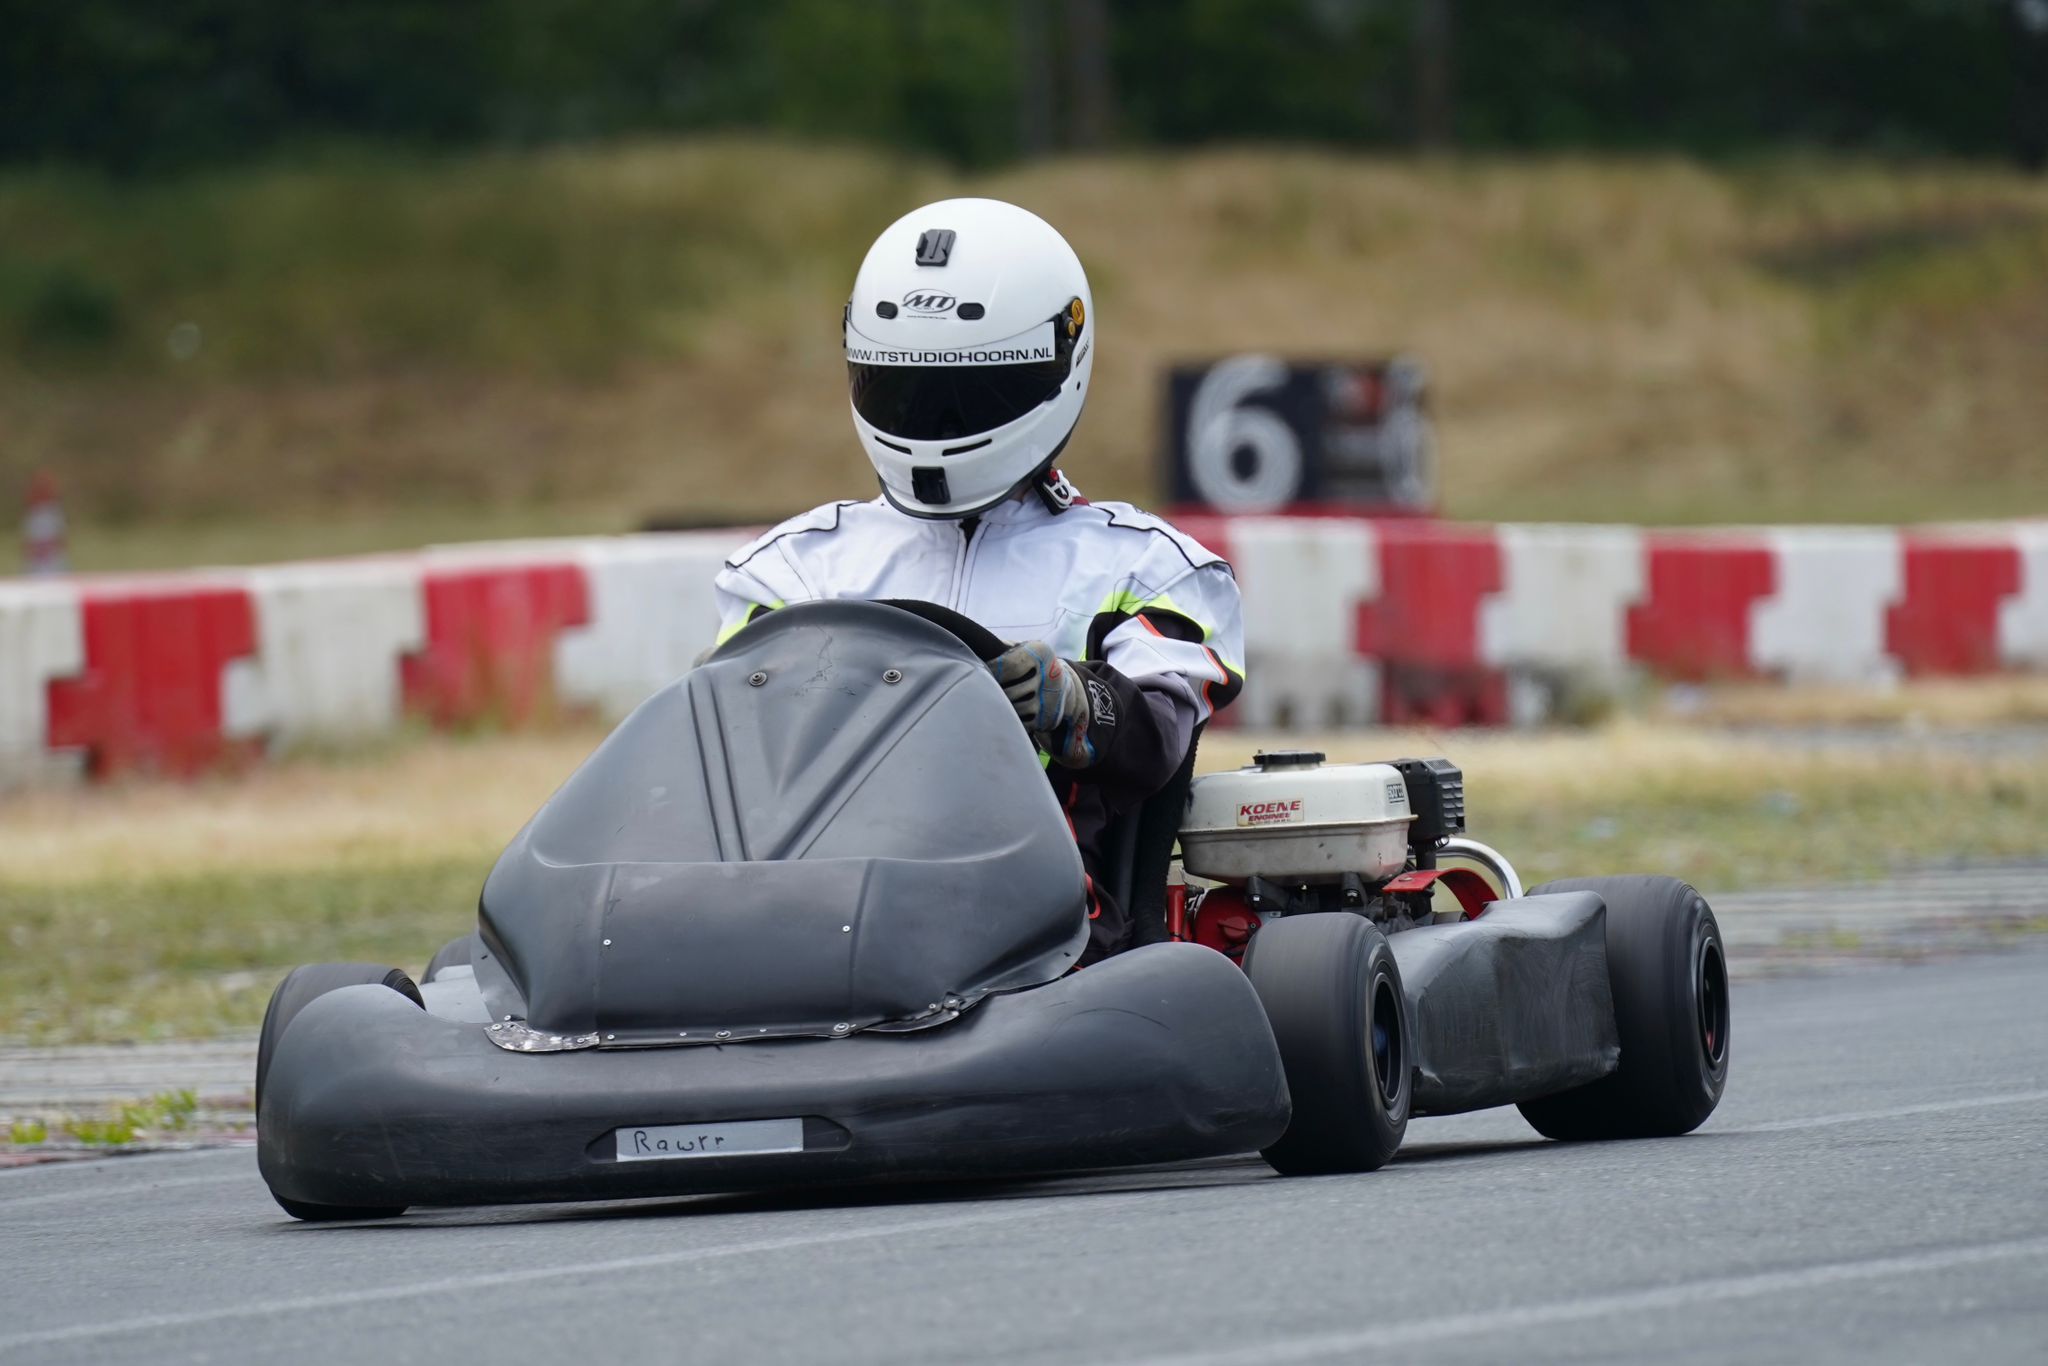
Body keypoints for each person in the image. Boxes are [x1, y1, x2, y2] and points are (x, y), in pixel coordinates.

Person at [712, 197, 1244, 961]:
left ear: (1063, 354)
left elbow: (1156, 738)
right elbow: (721, 751)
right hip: (804, 909)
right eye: (909, 391)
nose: (934, 418)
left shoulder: (1148, 568)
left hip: (1042, 927)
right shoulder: (792, 571)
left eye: (972, 394)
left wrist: (1075, 699)